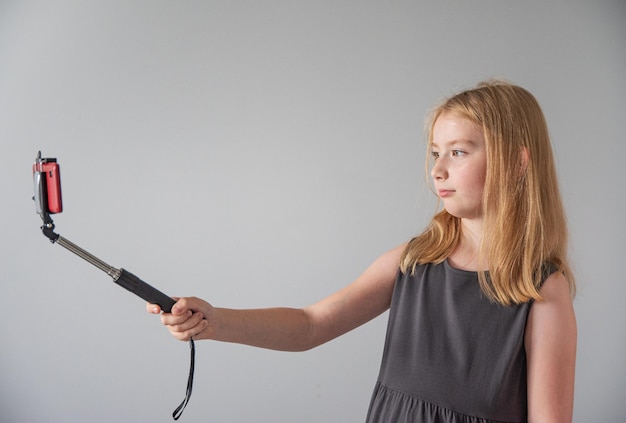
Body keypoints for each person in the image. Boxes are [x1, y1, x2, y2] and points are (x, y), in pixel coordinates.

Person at [147, 80, 577, 422]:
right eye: (434, 154)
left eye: (458, 152)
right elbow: (309, 326)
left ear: (517, 163)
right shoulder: (412, 263)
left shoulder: (541, 291)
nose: (438, 169)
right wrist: (214, 321)